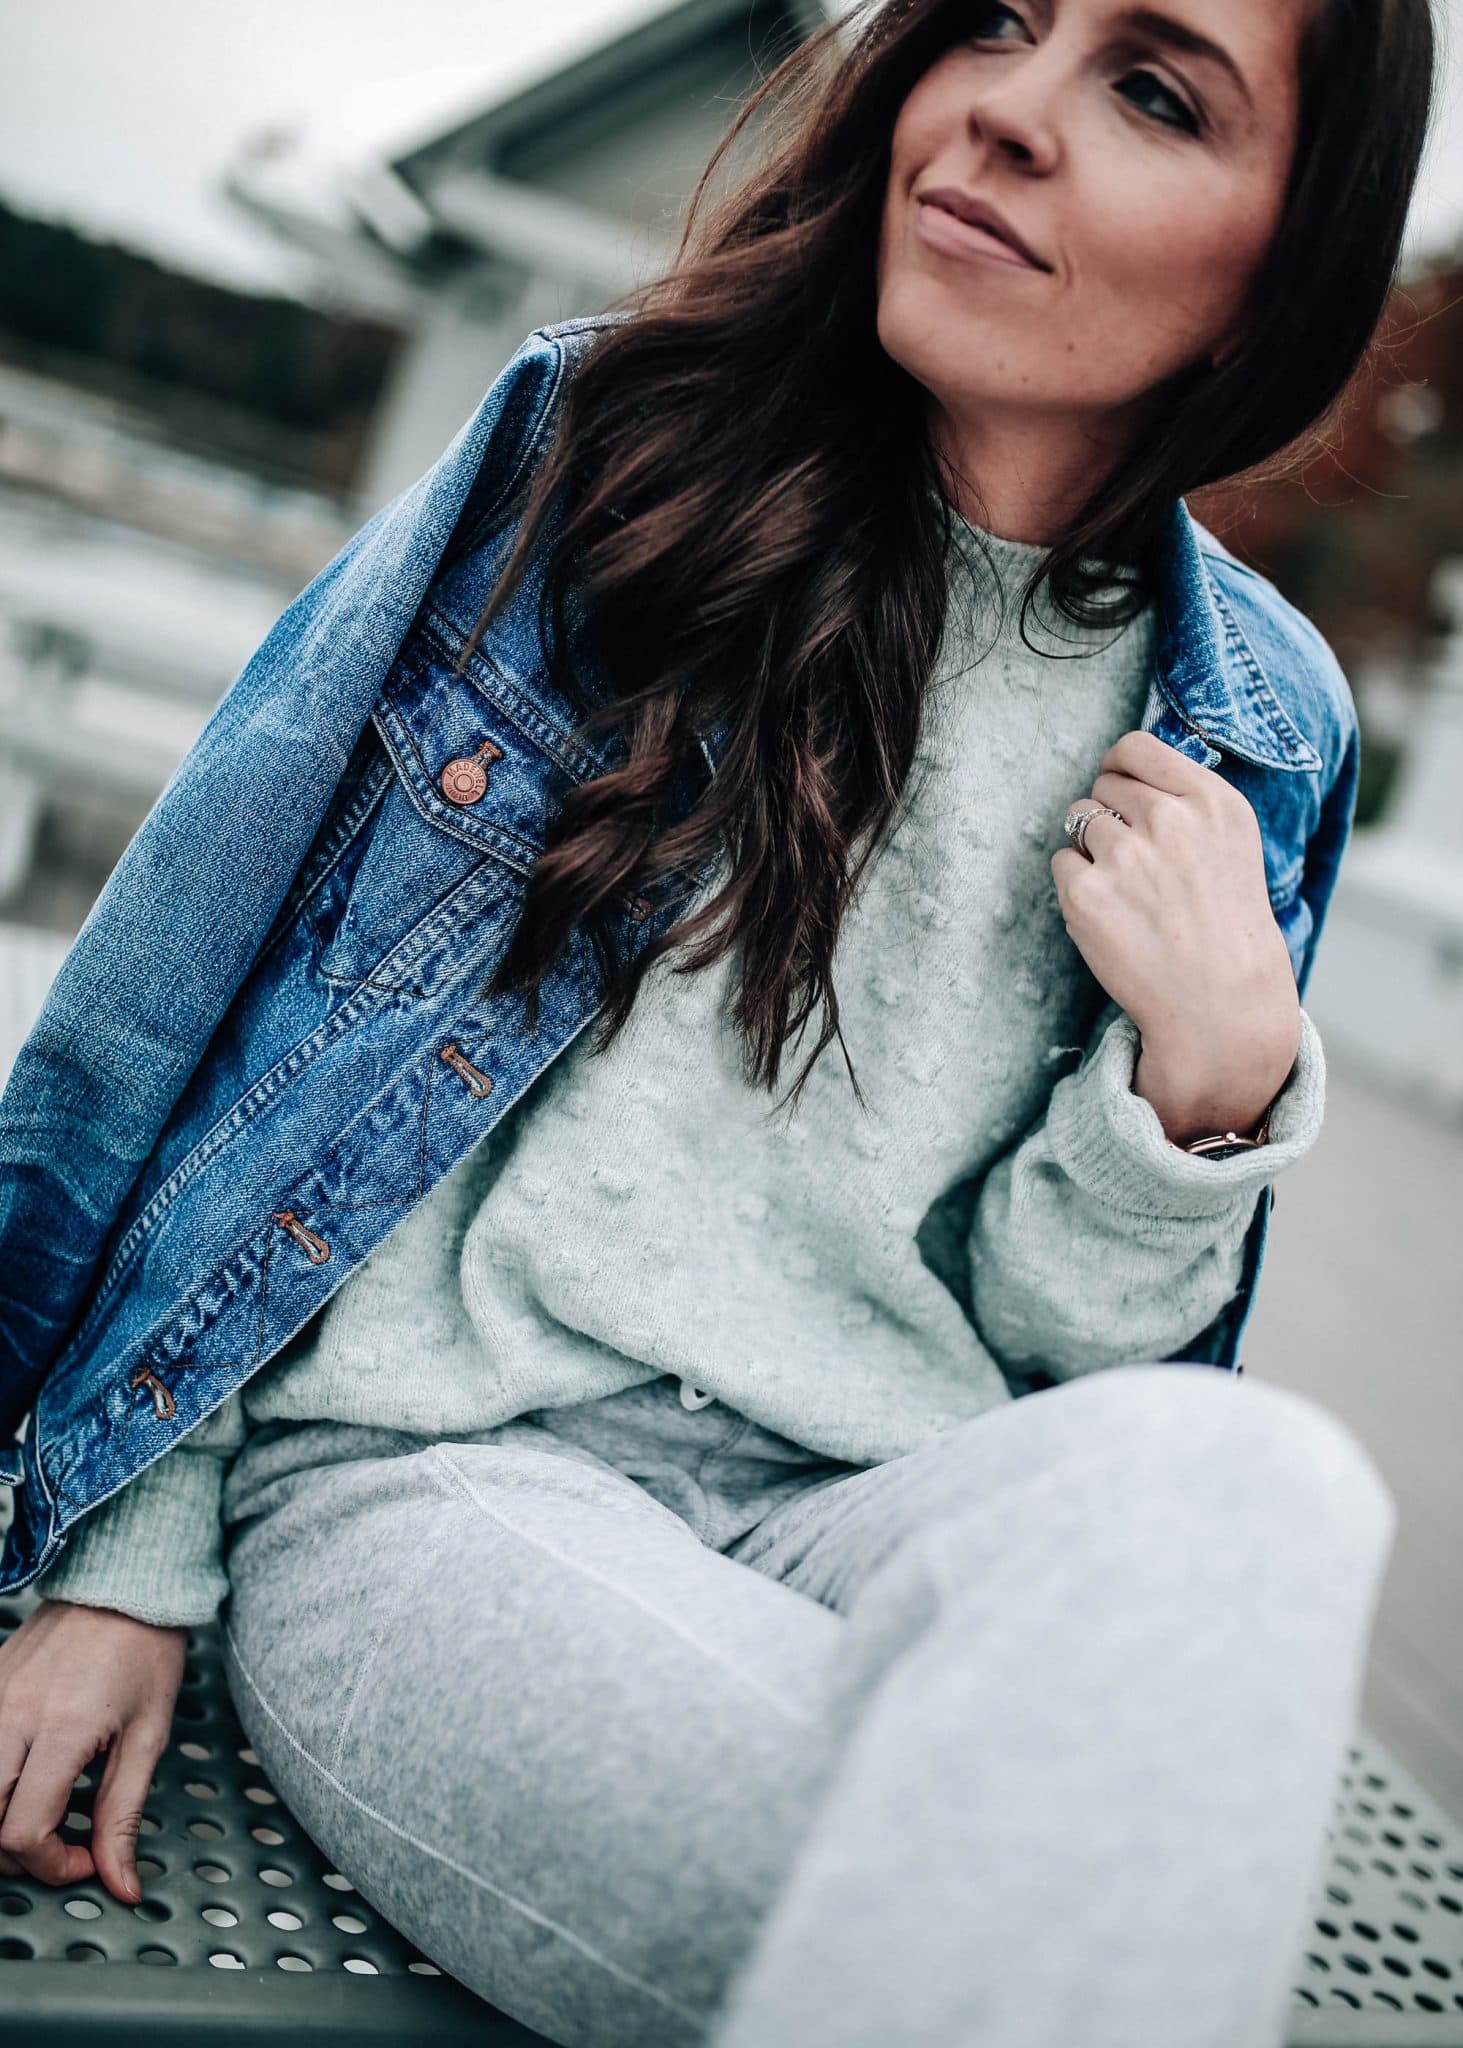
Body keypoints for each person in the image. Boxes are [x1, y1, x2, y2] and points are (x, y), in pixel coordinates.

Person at [0, 0, 1437, 2041]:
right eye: (1003, 20)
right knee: (994, 1936)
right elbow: (188, 996)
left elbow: (1064, 1366)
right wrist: (120, 1547)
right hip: (452, 1476)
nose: (1007, 111)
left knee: (1269, 1488)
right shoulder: (596, 453)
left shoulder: (1260, 723)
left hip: (872, 1515)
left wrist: (1198, 1097)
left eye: (1151, 88)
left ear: (1277, 269)